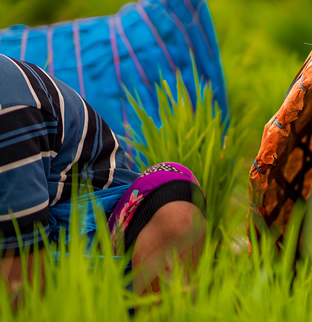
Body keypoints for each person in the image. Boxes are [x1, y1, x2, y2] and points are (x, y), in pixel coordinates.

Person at [0, 55, 205, 304]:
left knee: (173, 199)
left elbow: (21, 279)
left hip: (94, 247)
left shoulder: (10, 107)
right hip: (35, 254)